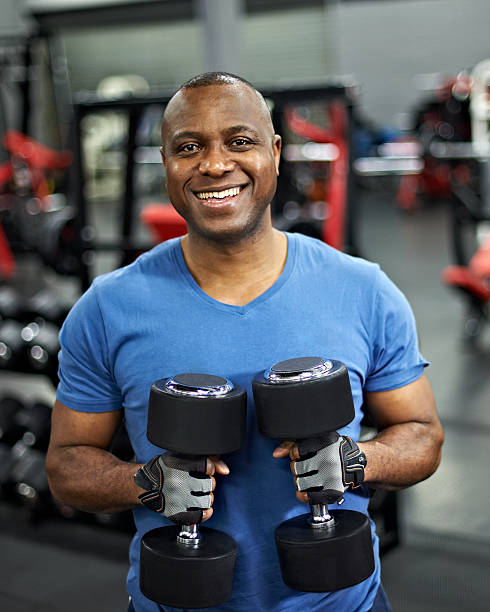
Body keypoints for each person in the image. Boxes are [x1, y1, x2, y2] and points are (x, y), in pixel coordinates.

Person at [45, 72, 444, 612]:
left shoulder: (363, 290)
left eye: (240, 141)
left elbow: (423, 436)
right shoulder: (107, 309)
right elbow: (67, 467)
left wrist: (357, 462)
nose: (214, 165)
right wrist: (146, 482)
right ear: (165, 162)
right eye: (189, 148)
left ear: (275, 153)